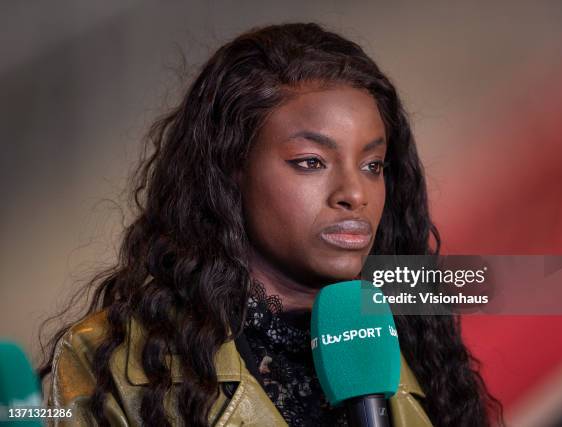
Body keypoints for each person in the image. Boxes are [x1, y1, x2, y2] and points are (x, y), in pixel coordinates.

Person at [39, 23, 503, 426]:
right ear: (229, 171)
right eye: (310, 162)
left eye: (373, 165)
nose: (355, 194)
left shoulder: (410, 335)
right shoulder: (110, 362)